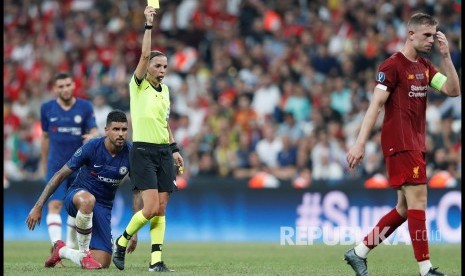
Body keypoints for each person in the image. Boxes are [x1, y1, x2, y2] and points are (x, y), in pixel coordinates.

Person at [344, 13, 460, 276]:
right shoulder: (391, 66)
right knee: (418, 201)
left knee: (405, 208)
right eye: (426, 35)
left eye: (434, 35)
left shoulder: (425, 67)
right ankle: (425, 269)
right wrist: (359, 144)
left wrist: (447, 56)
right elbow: (375, 106)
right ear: (411, 34)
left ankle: (358, 252)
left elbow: (453, 90)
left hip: (416, 144)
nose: (431, 40)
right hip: (401, 144)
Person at [112, 5, 184, 272]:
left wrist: (174, 148)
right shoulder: (138, 85)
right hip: (142, 151)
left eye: (165, 66)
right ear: (148, 67)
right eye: (157, 65)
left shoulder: (165, 91)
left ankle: (155, 261)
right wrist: (149, 24)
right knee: (151, 207)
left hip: (164, 152)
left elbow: (164, 122)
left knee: (161, 207)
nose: (162, 69)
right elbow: (144, 53)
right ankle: (121, 241)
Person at [26, 110, 137, 269]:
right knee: (87, 200)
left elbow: (137, 190)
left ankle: (62, 251)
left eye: (124, 130)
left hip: (103, 206)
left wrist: (135, 230)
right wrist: (38, 205)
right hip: (77, 196)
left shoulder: (131, 153)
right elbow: (60, 175)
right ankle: (84, 254)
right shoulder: (92, 146)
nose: (120, 134)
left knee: (102, 263)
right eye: (116, 129)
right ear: (106, 130)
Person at [40, 72, 99, 251]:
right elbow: (45, 137)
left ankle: (71, 246)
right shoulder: (47, 108)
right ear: (55, 89)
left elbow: (95, 131)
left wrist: (93, 136)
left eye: (68, 85)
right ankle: (57, 246)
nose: (65, 89)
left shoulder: (85, 107)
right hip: (56, 165)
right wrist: (44, 164)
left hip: (79, 166)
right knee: (55, 204)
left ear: (74, 85)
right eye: (61, 86)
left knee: (76, 207)